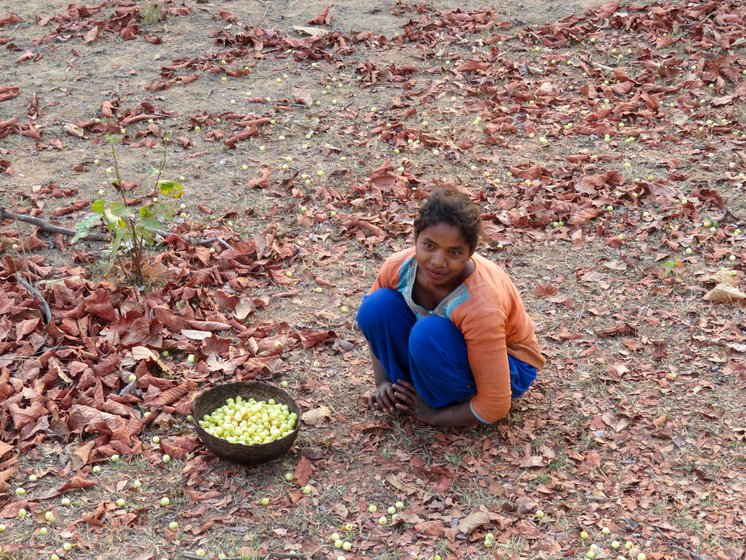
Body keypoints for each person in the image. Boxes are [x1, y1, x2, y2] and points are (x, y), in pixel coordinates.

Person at [356, 186, 545, 427]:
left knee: (428, 332)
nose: (438, 262)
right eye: (429, 245)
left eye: (454, 252)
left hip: (508, 365)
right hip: (438, 350)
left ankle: (447, 400)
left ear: (470, 253)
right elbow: (378, 331)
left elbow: (496, 405)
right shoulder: (398, 268)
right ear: (416, 238)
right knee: (377, 306)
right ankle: (410, 390)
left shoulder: (481, 303)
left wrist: (434, 417)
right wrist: (382, 382)